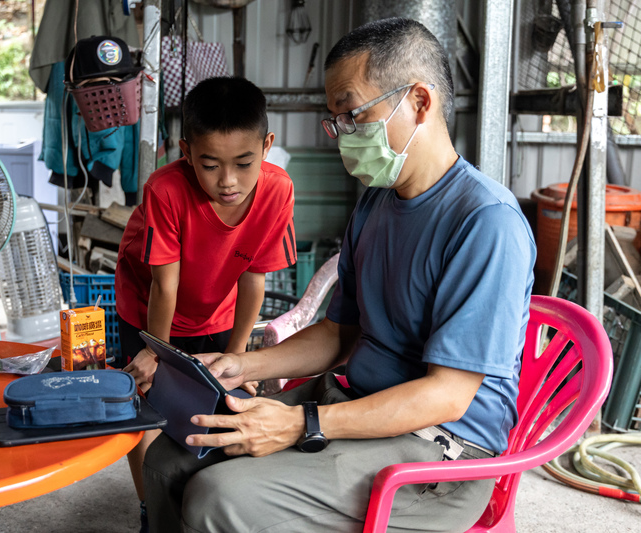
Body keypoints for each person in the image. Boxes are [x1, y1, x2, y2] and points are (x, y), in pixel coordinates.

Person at [142, 17, 536, 533]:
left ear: (419, 101)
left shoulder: (485, 222)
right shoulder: (376, 204)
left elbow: (447, 394)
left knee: (221, 498)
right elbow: (341, 330)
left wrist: (299, 422)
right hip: (358, 404)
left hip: (439, 454)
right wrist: (243, 366)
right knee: (172, 455)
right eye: (337, 121)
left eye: (354, 114)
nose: (343, 135)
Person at [114, 76, 297, 531]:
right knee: (145, 410)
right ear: (186, 151)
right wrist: (156, 353)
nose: (228, 181)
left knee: (223, 403)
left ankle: (202, 502)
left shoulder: (278, 191)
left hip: (218, 307)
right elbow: (164, 288)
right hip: (148, 312)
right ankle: (149, 511)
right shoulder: (166, 189)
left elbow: (255, 282)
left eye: (243, 163)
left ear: (267, 146)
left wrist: (238, 358)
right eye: (210, 165)